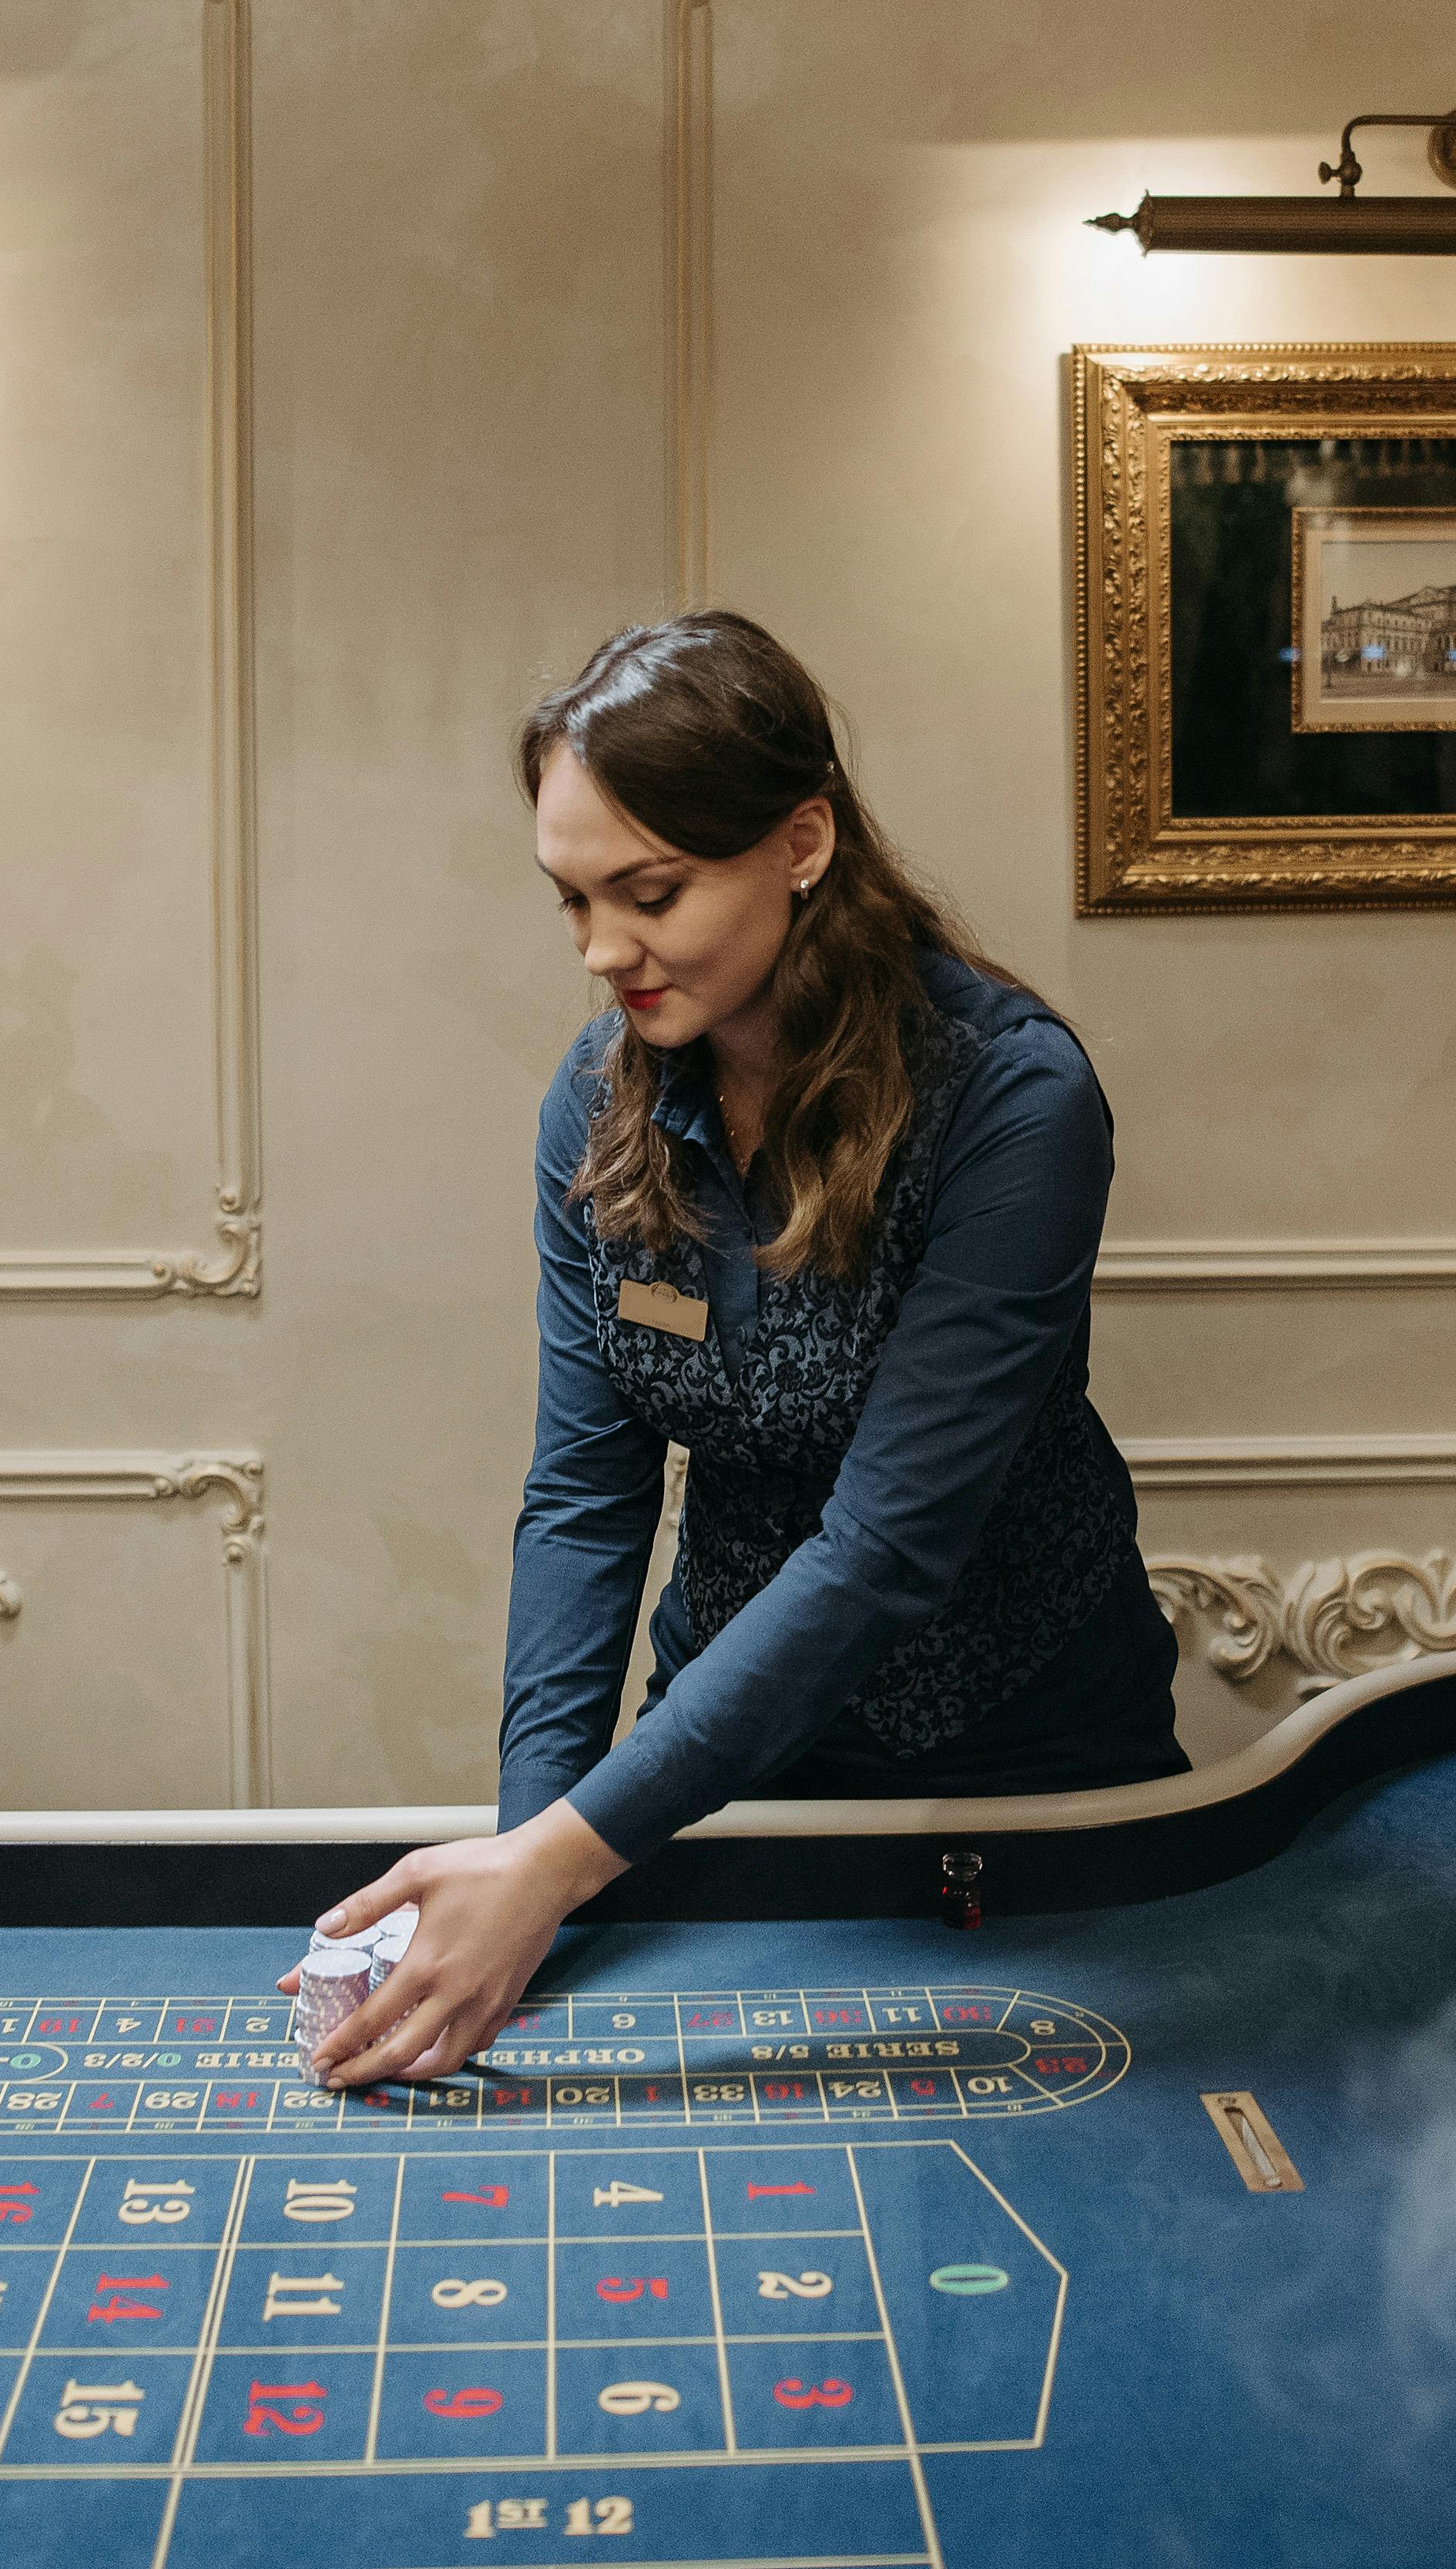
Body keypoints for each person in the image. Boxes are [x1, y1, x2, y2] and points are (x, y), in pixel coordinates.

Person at [301, 609, 1184, 2087]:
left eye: (648, 893)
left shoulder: (1011, 1103)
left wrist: (557, 1859)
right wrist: (534, 1845)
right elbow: (586, 1498)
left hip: (1024, 1760)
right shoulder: (598, 1103)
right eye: (570, 900)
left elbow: (883, 1548)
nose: (600, 953)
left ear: (800, 841)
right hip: (721, 1759)